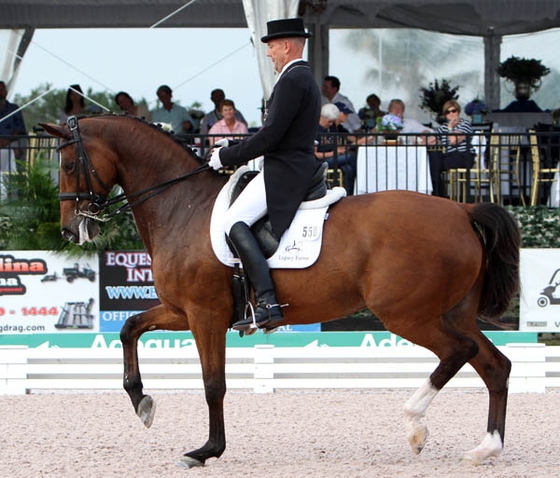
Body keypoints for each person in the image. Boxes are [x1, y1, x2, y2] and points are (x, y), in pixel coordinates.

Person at [208, 18, 321, 332]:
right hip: (290, 164)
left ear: (285, 46)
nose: (269, 54)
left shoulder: (292, 79)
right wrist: (237, 144)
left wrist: (225, 156)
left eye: (271, 47)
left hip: (285, 170)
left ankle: (268, 303)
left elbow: (270, 137)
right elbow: (275, 133)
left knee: (233, 222)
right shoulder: (302, 77)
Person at [427, 100, 476, 197]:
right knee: (432, 159)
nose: (451, 114)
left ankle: (439, 195)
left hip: (463, 156)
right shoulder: (443, 127)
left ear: (458, 111)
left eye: (453, 111)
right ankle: (438, 194)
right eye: (447, 112)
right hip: (449, 156)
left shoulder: (464, 124)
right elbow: (431, 140)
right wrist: (422, 139)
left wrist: (450, 128)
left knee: (435, 164)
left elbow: (454, 141)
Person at [316, 103, 356, 195]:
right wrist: (334, 152)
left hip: (334, 157)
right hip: (321, 161)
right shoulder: (315, 129)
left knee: (348, 168)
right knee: (350, 156)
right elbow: (315, 154)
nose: (331, 124)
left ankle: (349, 195)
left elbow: (336, 144)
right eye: (329, 121)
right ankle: (360, 181)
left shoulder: (332, 127)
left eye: (332, 122)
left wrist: (339, 149)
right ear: (322, 117)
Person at [0, 80, 27, 182]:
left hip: (11, 142)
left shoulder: (13, 108)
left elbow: (19, 129)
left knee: (16, 151)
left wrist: (6, 141)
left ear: (6, 92)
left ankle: (14, 183)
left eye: (2, 89)